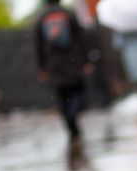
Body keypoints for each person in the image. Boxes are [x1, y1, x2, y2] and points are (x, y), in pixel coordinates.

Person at [35, 0, 92, 142]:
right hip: (73, 61)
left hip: (53, 64)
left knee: (62, 98)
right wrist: (86, 60)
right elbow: (81, 37)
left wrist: (42, 67)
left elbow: (38, 46)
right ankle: (74, 116)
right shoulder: (68, 14)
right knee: (77, 93)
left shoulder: (40, 18)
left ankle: (71, 127)